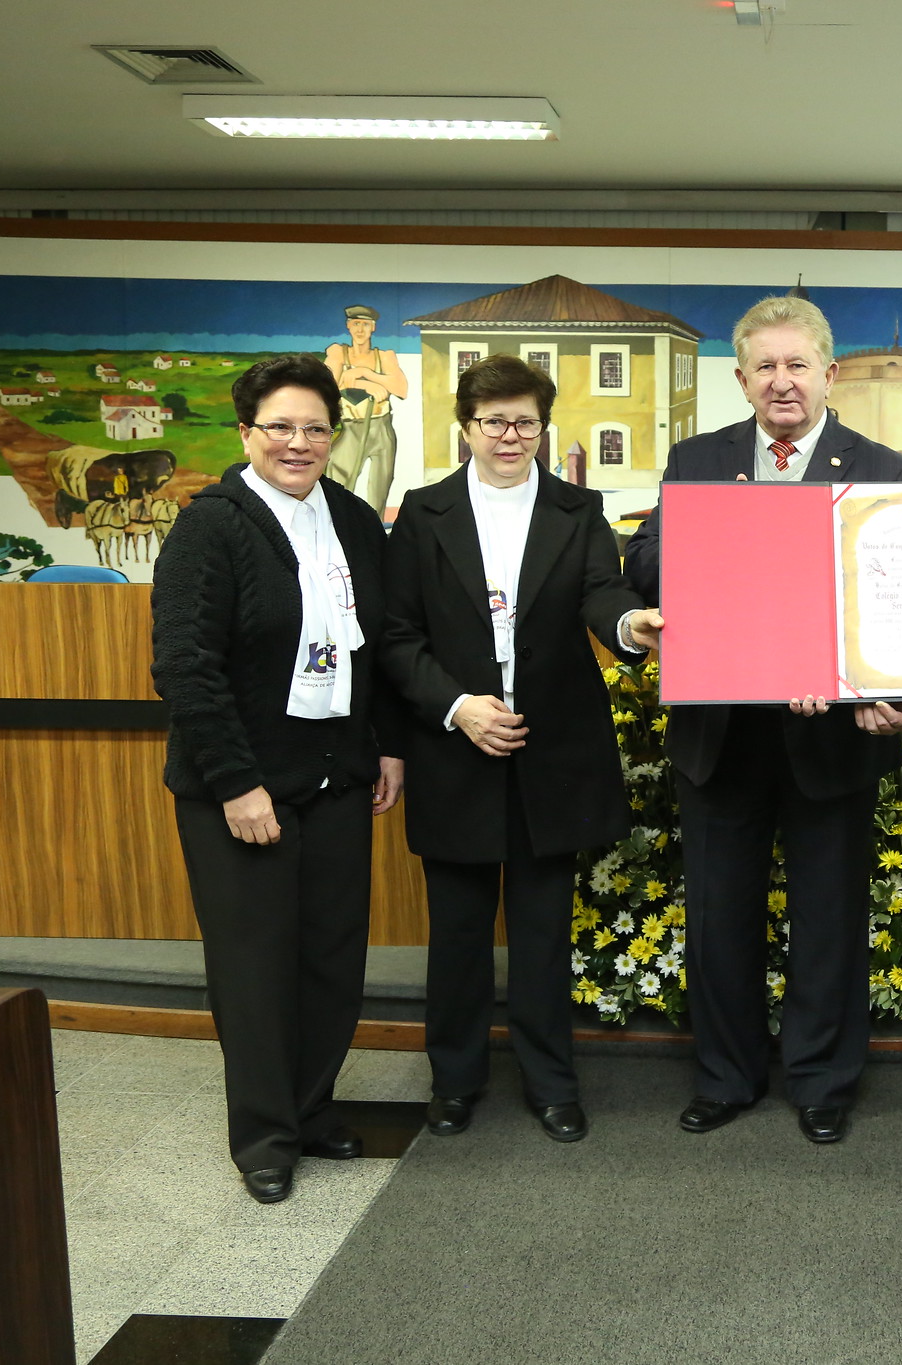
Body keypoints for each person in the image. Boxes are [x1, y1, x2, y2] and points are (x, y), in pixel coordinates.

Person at [623, 295, 902, 1145]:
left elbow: (900, 591)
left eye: (798, 365)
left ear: (828, 373)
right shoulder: (699, 458)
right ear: (742, 377)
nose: (782, 382)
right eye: (765, 367)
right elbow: (644, 559)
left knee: (828, 916)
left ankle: (823, 1080)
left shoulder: (883, 469)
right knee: (719, 914)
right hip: (723, 732)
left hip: (832, 733)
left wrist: (860, 675)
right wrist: (723, 552)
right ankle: (727, 1074)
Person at [381, 355, 660, 1142]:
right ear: (464, 428)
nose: (511, 436)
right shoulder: (424, 514)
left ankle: (551, 1082)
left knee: (543, 932)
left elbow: (602, 593)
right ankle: (456, 1079)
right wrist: (458, 706)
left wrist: (629, 627)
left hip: (553, 749)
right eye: (494, 422)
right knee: (459, 932)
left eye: (526, 423)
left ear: (544, 426)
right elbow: (398, 638)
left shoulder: (578, 509)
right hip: (456, 747)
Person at [152, 354, 404, 1205]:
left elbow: (385, 648)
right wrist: (234, 783)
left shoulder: (353, 521)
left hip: (336, 777)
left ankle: (309, 1106)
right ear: (246, 433)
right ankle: (263, 1135)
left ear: (335, 435)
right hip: (244, 787)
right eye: (281, 427)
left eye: (315, 428)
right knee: (255, 965)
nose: (299, 443)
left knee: (331, 958)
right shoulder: (212, 526)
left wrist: (388, 746)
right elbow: (185, 668)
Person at [324, 305, 407, 514]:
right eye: (356, 324)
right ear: (348, 327)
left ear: (373, 328)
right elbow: (327, 387)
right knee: (339, 484)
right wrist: (365, 385)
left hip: (381, 428)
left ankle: (375, 536)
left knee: (379, 489)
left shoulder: (385, 356)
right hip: (351, 428)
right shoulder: (338, 353)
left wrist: (365, 373)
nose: (360, 330)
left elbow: (401, 389)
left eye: (365, 325)